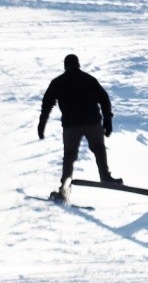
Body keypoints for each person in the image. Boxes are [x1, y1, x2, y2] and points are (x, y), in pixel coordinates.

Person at [38, 53, 117, 193]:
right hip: (92, 122)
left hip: (71, 126)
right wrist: (108, 120)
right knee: (99, 148)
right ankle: (105, 177)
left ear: (65, 66)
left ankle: (65, 185)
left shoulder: (58, 82)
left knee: (69, 155)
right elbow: (104, 99)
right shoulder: (89, 79)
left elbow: (47, 103)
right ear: (78, 64)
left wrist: (42, 123)